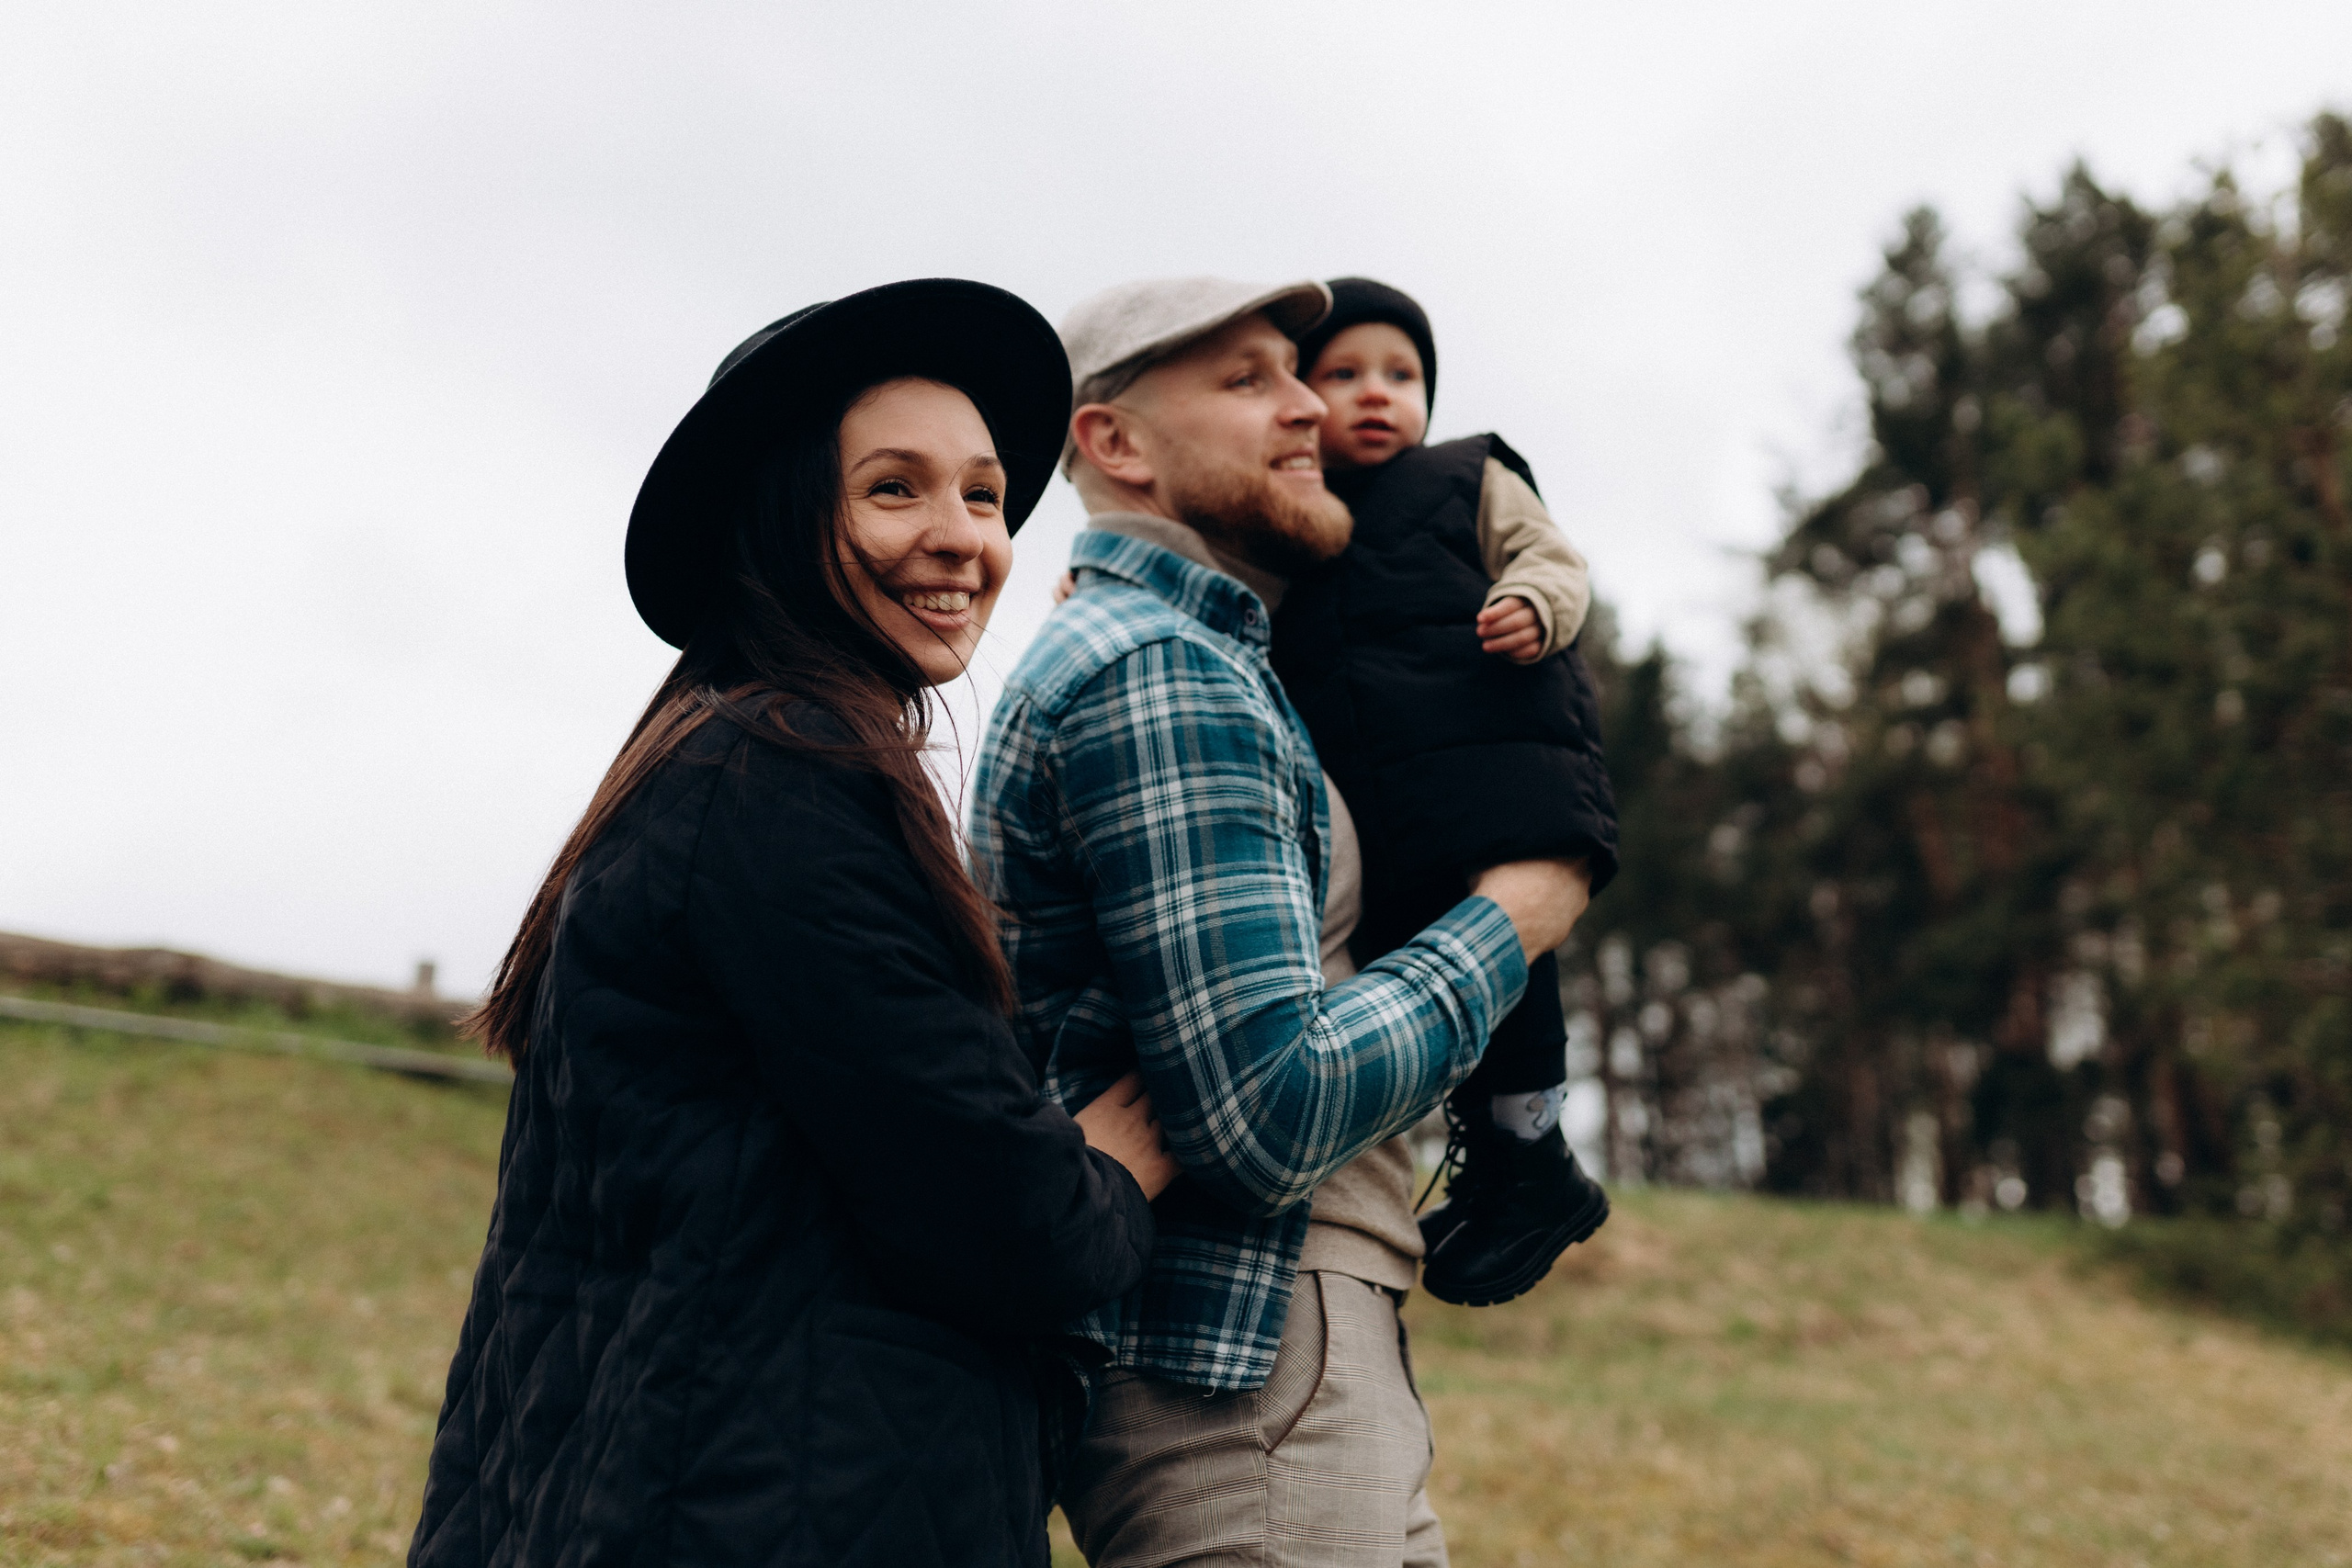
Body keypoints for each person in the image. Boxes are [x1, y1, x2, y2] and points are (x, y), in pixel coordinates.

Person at [408, 278, 1174, 1568]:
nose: (962, 537)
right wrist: (1114, 1169)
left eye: (984, 496)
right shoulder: (791, 780)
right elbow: (1001, 1215)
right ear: (782, 517)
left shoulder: (718, 763)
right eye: (894, 488)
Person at [967, 276, 1591, 1567]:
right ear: (1116, 443)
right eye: (1250, 380)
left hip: (1291, 1340)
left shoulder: (1214, 658)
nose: (1312, 404)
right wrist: (1513, 917)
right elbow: (1267, 1110)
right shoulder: (1162, 671)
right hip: (1245, 1369)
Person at [1276, 277, 1619, 1308]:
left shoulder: (1467, 473)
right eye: (1343, 375)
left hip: (1491, 758)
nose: (1376, 393)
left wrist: (1530, 603)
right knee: (1426, 968)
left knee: (1507, 948)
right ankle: (1502, 1154)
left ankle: (1529, 1150)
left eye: (1401, 374)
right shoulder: (1290, 514)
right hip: (1380, 796)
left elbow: (1550, 558)